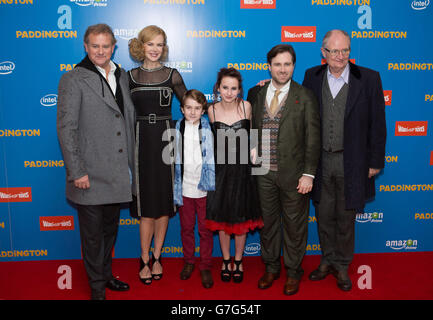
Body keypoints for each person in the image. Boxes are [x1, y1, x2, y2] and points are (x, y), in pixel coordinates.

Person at [302, 29, 386, 291]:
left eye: (345, 50)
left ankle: (342, 266)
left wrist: (375, 161)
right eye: (335, 51)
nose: (341, 56)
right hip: (321, 162)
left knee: (346, 217)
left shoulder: (369, 78)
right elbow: (299, 109)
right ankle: (326, 260)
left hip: (353, 162)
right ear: (323, 53)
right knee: (324, 215)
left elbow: (378, 123)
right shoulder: (311, 76)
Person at [57, 23, 135, 300]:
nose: (101, 51)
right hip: (88, 173)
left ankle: (106, 275)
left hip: (116, 172)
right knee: (92, 237)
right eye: (95, 45)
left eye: (106, 45)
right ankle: (97, 289)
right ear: (86, 47)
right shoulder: (73, 78)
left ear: (113, 46)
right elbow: (67, 129)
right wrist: (76, 171)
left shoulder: (122, 75)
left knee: (109, 231)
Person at [247, 44, 321, 296]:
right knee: (268, 224)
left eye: (287, 64)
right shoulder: (255, 93)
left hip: (294, 174)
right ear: (269, 66)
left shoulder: (306, 96)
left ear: (293, 66)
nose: (282, 69)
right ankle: (271, 267)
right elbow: (250, 128)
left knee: (294, 226)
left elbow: (313, 137)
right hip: (263, 172)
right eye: (277, 64)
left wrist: (309, 174)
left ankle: (292, 271)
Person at [128, 25, 187, 285]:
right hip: (140, 141)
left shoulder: (172, 75)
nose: (155, 49)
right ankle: (143, 260)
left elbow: (191, 105)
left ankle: (158, 257)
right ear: (141, 46)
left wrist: (228, 102)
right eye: (150, 44)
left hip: (166, 139)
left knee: (163, 204)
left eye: (160, 44)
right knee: (146, 208)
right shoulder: (127, 76)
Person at [206, 67, 263, 284]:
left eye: (234, 88)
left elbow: (256, 134)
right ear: (218, 88)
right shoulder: (210, 110)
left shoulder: (246, 107)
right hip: (221, 172)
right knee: (222, 220)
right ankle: (225, 259)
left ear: (240, 90)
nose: (229, 92)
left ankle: (238, 260)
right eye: (225, 88)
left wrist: (255, 149)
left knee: (241, 220)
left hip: (242, 171)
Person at [173, 89, 215, 288]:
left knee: (205, 230)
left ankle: (205, 265)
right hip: (184, 188)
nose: (192, 112)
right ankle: (189, 261)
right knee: (187, 228)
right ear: (181, 109)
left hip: (204, 188)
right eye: (188, 107)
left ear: (203, 110)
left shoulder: (210, 128)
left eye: (197, 108)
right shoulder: (175, 128)